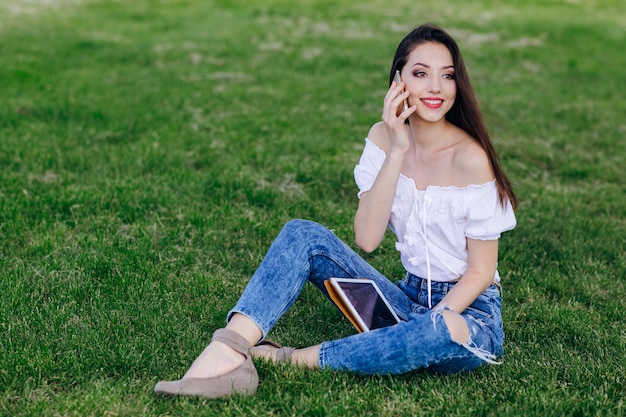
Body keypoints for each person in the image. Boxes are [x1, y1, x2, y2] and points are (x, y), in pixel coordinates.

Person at [154, 23, 518, 399]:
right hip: (406, 298)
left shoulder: (471, 158)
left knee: (433, 332)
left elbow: (480, 272)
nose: (436, 88)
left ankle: (287, 359)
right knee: (303, 234)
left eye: (447, 76)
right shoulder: (383, 138)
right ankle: (227, 352)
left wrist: (433, 318)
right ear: (398, 81)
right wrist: (397, 149)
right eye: (421, 74)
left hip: (468, 316)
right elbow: (367, 239)